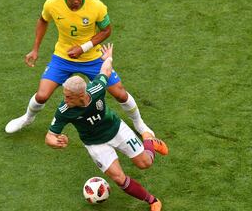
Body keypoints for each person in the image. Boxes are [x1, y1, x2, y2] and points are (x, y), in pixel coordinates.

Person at [5, 0, 154, 139]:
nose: (75, 1)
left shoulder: (97, 6)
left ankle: (139, 124)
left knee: (120, 93)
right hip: (63, 57)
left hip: (92, 59)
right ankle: (27, 118)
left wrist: (83, 48)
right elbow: (43, 20)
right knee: (42, 95)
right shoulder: (52, 4)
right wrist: (35, 49)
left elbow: (107, 31)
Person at [45, 43, 168, 211]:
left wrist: (108, 57)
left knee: (145, 163)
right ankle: (152, 200)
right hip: (95, 144)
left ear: (81, 95)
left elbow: (105, 71)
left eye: (68, 97)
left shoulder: (96, 89)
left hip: (116, 129)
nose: (64, 100)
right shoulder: (64, 110)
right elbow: (49, 136)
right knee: (118, 178)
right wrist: (56, 142)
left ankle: (149, 141)